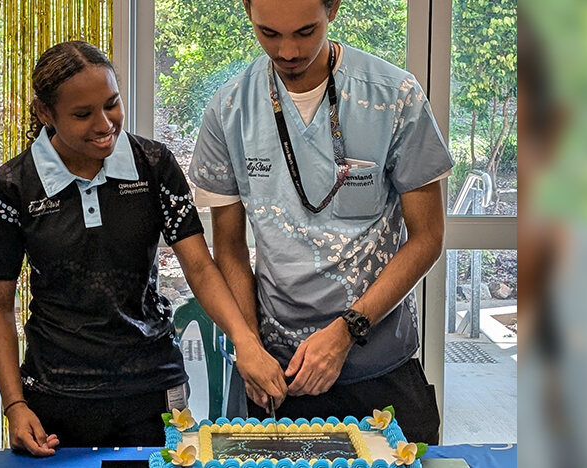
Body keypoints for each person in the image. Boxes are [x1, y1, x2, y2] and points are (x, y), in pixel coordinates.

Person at [0, 41, 285, 456]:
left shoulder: (154, 165)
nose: (104, 124)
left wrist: (245, 341)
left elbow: (198, 265)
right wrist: (14, 404)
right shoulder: (11, 187)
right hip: (57, 393)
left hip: (152, 387)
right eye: (83, 114)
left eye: (112, 104)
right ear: (45, 113)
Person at [189, 0, 453, 444]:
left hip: (380, 367)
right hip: (277, 374)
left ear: (333, 10)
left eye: (305, 32)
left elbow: (427, 238)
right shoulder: (230, 109)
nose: (288, 51)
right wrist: (249, 346)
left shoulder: (394, 95)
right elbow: (230, 248)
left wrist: (350, 329)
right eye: (269, 33)